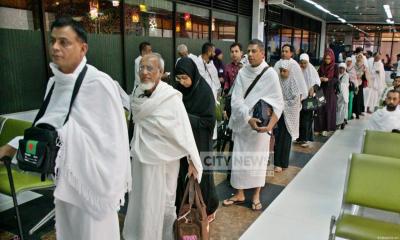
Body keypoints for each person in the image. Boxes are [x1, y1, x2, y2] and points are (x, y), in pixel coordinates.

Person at [0, 17, 132, 240]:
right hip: (65, 181)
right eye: (53, 41)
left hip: (93, 186)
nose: (55, 47)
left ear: (83, 48)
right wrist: (12, 146)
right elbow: (48, 126)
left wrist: (63, 138)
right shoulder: (55, 84)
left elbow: (112, 141)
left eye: (64, 42)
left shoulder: (99, 84)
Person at [123, 54, 203, 240]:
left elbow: (184, 131)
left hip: (164, 162)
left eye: (149, 68)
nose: (144, 72)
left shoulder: (170, 98)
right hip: (141, 159)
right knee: (141, 200)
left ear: (160, 72)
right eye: (141, 68)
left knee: (161, 204)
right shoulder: (137, 94)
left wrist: (192, 159)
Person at [222, 39, 284, 211]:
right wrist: (248, 118)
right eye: (248, 51)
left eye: (253, 51)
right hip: (244, 124)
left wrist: (269, 126)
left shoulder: (270, 74)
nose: (249, 54)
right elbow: (236, 100)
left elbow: (279, 103)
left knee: (258, 161)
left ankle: (256, 195)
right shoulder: (243, 73)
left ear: (262, 53)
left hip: (261, 129)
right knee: (240, 159)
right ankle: (239, 193)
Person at [174, 57, 219, 223]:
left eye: (185, 78)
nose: (182, 82)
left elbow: (208, 121)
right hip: (182, 140)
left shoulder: (204, 91)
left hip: (200, 140)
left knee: (202, 175)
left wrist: (185, 118)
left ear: (193, 74)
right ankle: (186, 206)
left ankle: (208, 207)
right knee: (184, 173)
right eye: (179, 78)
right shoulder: (177, 90)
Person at [274, 60, 301, 172]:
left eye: (284, 71)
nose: (282, 73)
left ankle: (283, 163)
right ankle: (277, 163)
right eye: (280, 70)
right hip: (279, 113)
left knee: (286, 139)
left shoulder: (293, 81)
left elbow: (295, 100)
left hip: (290, 115)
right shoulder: (278, 80)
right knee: (278, 137)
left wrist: (283, 103)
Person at [297, 53, 321, 147]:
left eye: (304, 63)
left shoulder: (312, 70)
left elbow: (317, 82)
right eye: (301, 63)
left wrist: (313, 88)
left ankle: (305, 139)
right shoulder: (298, 70)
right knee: (299, 118)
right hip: (300, 98)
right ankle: (300, 137)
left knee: (307, 118)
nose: (303, 65)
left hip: (310, 99)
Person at [315, 49, 338, 136]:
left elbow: (336, 79)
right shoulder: (322, 66)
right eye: (326, 58)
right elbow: (316, 75)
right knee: (320, 108)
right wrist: (320, 78)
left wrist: (328, 79)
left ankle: (327, 128)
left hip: (330, 91)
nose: (327, 60)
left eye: (329, 58)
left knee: (328, 109)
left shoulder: (335, 66)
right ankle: (319, 128)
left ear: (332, 58)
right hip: (321, 90)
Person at [353, 53, 370, 119]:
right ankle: (352, 111)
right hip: (353, 83)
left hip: (360, 83)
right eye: (358, 57)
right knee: (353, 97)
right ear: (356, 57)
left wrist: (363, 74)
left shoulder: (364, 66)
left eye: (360, 57)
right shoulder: (353, 65)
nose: (359, 58)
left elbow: (366, 76)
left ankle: (358, 112)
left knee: (359, 98)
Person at [336, 63, 350, 129]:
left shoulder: (346, 75)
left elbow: (344, 85)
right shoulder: (336, 74)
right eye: (340, 68)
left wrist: (339, 82)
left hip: (343, 94)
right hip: (337, 94)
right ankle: (339, 121)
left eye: (343, 68)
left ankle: (342, 121)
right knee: (338, 109)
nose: (341, 69)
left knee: (343, 108)